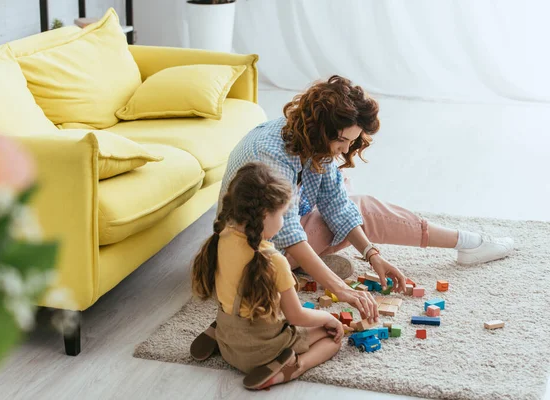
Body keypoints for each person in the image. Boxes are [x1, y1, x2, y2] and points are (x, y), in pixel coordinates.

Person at [190, 75, 514, 358]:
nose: (346, 150)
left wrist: (373, 255)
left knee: (349, 198)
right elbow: (288, 233)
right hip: (258, 246)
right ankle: (468, 242)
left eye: (351, 141)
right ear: (321, 130)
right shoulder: (271, 155)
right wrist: (340, 290)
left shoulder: (312, 142)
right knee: (363, 208)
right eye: (343, 140)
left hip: (276, 238)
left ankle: (293, 279)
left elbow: (338, 205)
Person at [191, 162, 350, 390]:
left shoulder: (221, 237)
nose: (284, 221)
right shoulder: (274, 260)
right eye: (283, 214)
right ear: (266, 215)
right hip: (262, 353)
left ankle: (217, 333)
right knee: (331, 338)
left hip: (230, 342)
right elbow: (296, 317)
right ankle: (292, 367)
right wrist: (328, 318)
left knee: (237, 306)